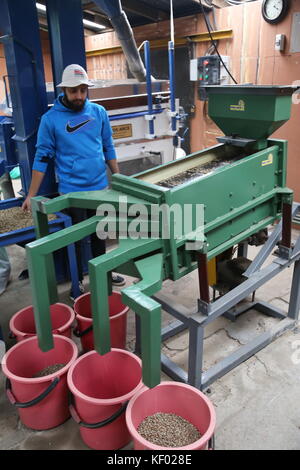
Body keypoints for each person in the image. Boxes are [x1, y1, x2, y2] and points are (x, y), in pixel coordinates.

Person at [22, 64, 125, 299]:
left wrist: (117, 177)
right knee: (77, 240)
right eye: (73, 91)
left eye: (82, 90)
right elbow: (42, 157)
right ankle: (77, 282)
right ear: (64, 91)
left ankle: (105, 275)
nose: (78, 96)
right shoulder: (51, 120)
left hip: (100, 188)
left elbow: (108, 146)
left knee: (101, 235)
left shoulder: (99, 112)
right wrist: (31, 194)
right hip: (72, 192)